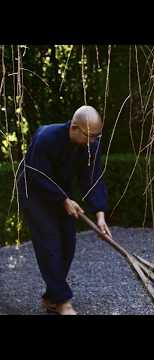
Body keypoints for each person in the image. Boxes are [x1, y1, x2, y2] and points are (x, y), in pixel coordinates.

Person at [16, 105, 112, 315]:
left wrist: (100, 215)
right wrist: (63, 199)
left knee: (68, 241)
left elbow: (93, 178)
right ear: (75, 127)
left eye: (97, 136)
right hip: (34, 191)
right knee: (49, 241)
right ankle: (62, 301)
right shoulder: (46, 137)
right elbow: (36, 175)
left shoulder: (91, 143)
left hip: (62, 192)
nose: (93, 141)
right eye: (90, 135)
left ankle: (51, 296)